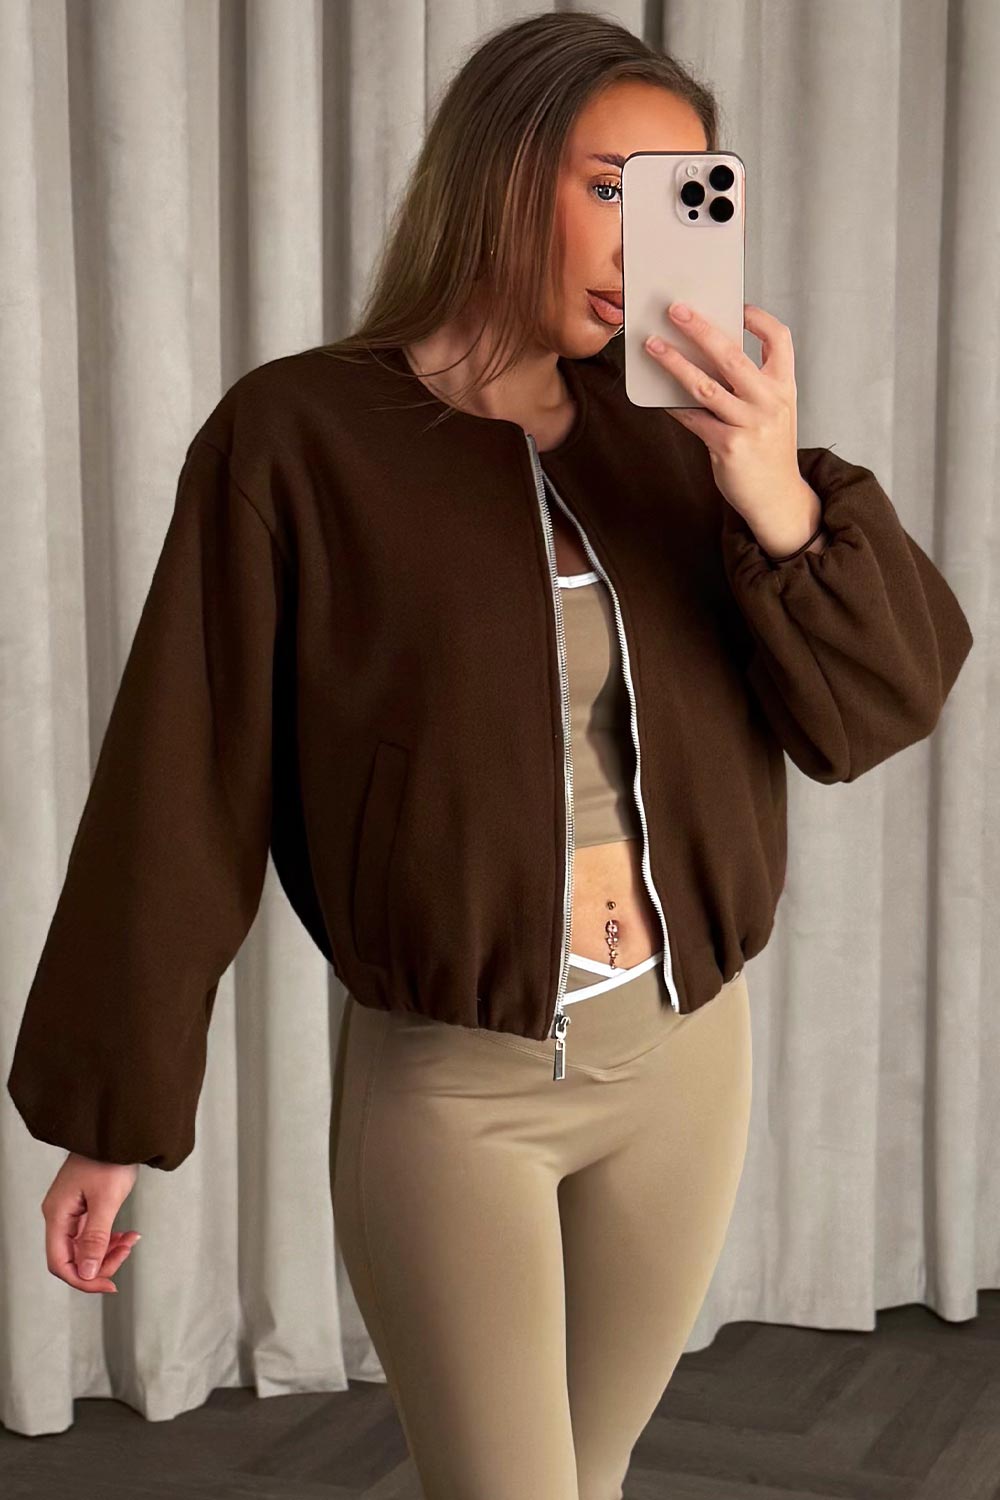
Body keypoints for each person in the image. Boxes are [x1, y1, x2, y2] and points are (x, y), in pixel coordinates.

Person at [7, 13, 973, 1500]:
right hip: (454, 1094)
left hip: (687, 1060)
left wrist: (773, 490)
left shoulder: (690, 438)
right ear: (502, 169)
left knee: (589, 1479)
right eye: (611, 185)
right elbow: (182, 783)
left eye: (685, 195)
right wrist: (107, 1120)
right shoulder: (298, 436)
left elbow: (881, 705)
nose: (643, 236)